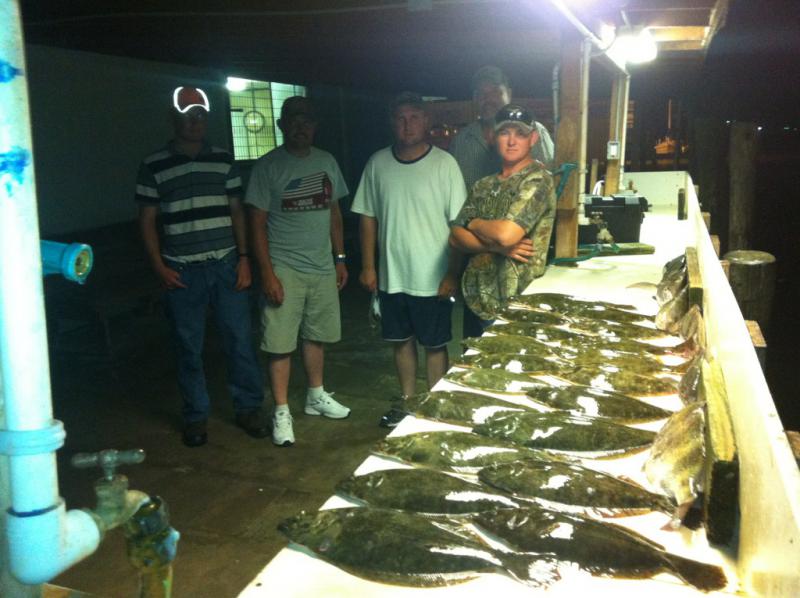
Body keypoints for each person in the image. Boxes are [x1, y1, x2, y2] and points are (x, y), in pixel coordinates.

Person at [136, 85, 267, 447]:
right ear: (173, 117)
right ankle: (195, 416)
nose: (195, 121)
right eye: (188, 114)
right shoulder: (154, 164)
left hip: (225, 264)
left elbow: (237, 210)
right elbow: (147, 220)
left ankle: (248, 408)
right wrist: (159, 267)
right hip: (181, 271)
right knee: (187, 346)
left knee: (240, 340)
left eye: (201, 114)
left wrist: (244, 259)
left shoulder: (223, 159)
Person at [246, 96, 351, 447]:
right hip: (284, 268)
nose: (300, 126)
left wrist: (339, 257)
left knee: (316, 335)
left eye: (306, 120)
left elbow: (334, 212)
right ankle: (280, 410)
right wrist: (268, 274)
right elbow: (256, 224)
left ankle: (315, 396)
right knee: (279, 343)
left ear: (315, 125)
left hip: (321, 265)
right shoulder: (268, 167)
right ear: (280, 124)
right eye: (292, 119)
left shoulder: (327, 161)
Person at [352, 92, 466, 416]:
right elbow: (367, 217)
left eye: (415, 117)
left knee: (434, 344)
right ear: (392, 123)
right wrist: (368, 266)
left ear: (426, 121)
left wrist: (452, 273)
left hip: (433, 278)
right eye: (401, 118)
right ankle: (407, 403)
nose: (408, 125)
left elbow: (458, 226)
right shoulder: (377, 163)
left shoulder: (445, 165)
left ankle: (435, 407)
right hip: (392, 274)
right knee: (400, 341)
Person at [449, 104, 557, 330]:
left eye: (520, 134)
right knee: (471, 364)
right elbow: (455, 238)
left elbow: (507, 235)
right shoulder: (483, 185)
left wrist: (474, 222)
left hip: (519, 306)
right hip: (475, 300)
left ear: (533, 138)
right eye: (504, 132)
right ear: (492, 137)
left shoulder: (538, 180)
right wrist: (496, 248)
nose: (511, 141)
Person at [449, 65, 555, 191]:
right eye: (482, 93)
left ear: (509, 94)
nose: (488, 99)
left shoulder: (535, 132)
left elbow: (552, 182)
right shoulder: (461, 141)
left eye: (495, 92)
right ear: (475, 99)